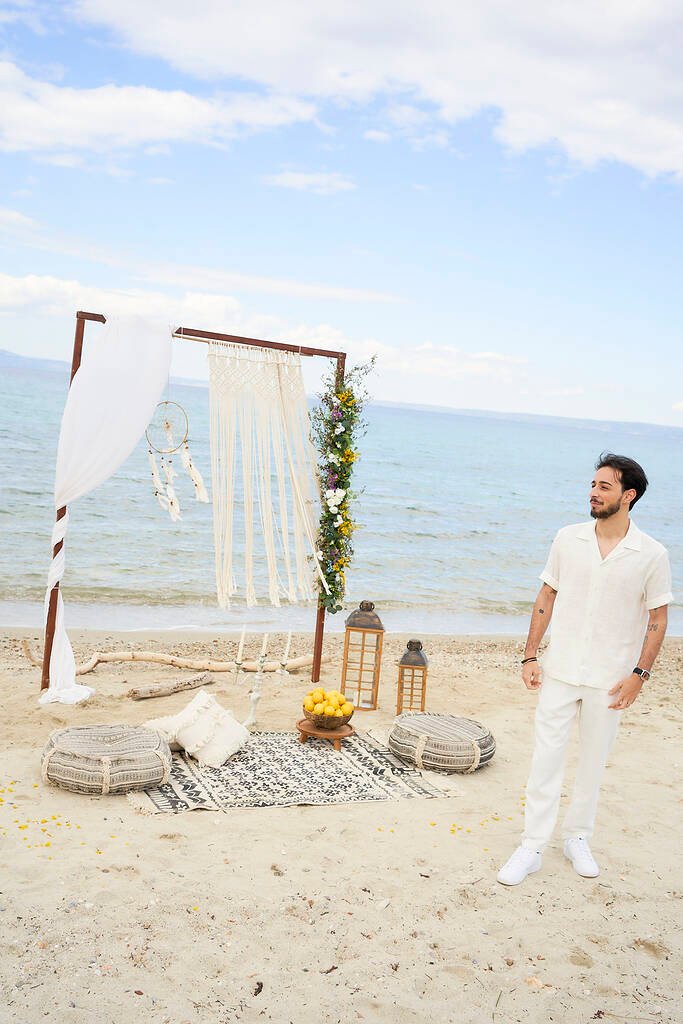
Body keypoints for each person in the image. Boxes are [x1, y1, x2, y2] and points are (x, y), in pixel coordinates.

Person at [497, 453, 673, 886]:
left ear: (628, 495)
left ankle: (577, 837)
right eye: (593, 484)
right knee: (545, 761)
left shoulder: (651, 553)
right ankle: (533, 845)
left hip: (611, 679)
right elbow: (546, 595)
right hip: (559, 669)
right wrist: (530, 654)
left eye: (605, 486)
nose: (593, 492)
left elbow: (658, 619)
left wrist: (639, 675)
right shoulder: (567, 538)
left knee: (593, 763)